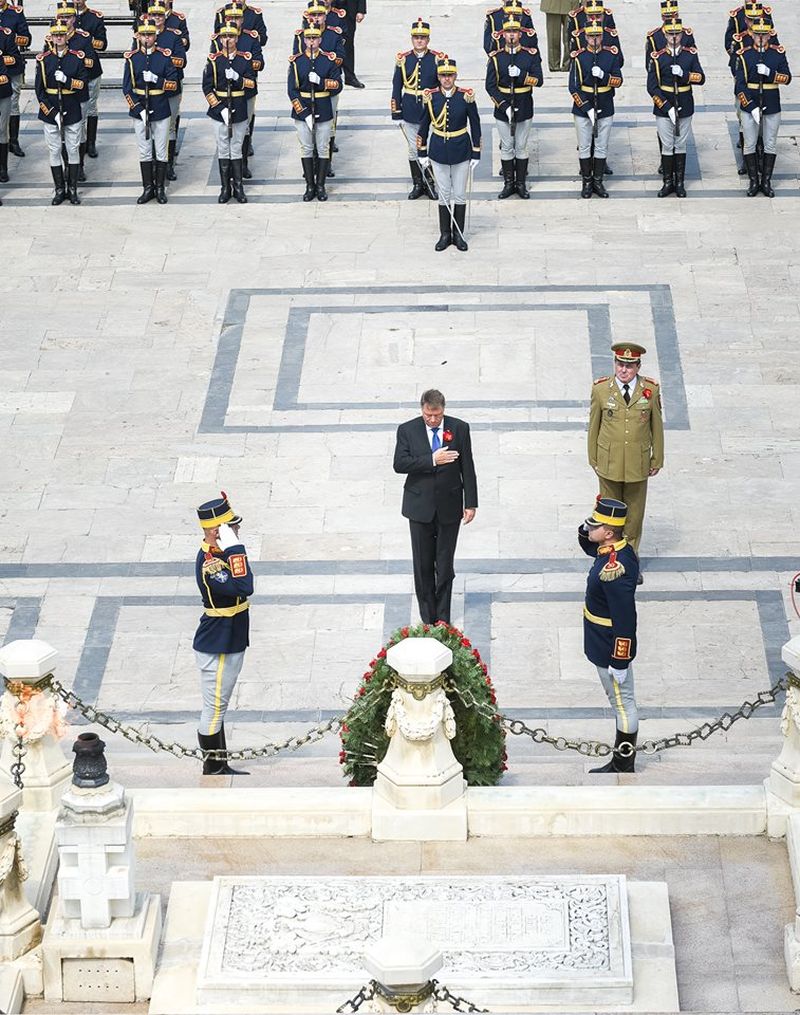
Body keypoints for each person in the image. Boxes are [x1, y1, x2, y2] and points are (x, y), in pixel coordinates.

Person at [393, 389, 478, 626]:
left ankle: (443, 617)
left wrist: (470, 502)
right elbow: (399, 463)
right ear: (422, 410)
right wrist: (432, 459)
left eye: (437, 415)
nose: (432, 420)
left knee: (444, 564)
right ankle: (428, 617)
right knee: (422, 565)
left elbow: (467, 466)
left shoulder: (460, 428)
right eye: (428, 415)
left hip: (449, 506)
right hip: (419, 507)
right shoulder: (407, 430)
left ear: (443, 410)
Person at [587, 342, 664, 569]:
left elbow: (656, 427)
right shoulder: (601, 389)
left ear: (637, 367)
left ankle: (629, 560)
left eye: (629, 366)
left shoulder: (650, 390)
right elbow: (594, 425)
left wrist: (656, 458)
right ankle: (607, 557)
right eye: (620, 364)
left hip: (637, 463)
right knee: (608, 513)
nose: (623, 370)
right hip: (608, 461)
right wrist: (593, 458)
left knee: (634, 515)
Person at [193, 492, 254, 777]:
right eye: (232, 527)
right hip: (218, 641)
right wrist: (236, 549)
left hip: (230, 637)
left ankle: (220, 762)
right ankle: (214, 766)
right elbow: (244, 587)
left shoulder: (220, 555)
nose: (237, 530)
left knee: (220, 705)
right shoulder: (211, 563)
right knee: (214, 707)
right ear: (218, 531)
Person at [578, 497, 640, 774]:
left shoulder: (616, 568)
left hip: (609, 644)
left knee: (623, 703)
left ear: (609, 532)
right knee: (619, 701)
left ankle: (623, 762)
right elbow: (586, 541)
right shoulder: (611, 550)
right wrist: (591, 523)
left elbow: (625, 618)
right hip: (599, 638)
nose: (589, 529)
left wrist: (620, 659)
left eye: (596, 525)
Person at [416, 55, 481, 252]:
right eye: (443, 75)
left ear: (455, 76)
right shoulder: (431, 97)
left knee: (459, 194)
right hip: (438, 150)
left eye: (450, 75)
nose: (446, 79)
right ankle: (445, 234)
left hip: (461, 149)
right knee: (444, 194)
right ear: (438, 76)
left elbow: (475, 124)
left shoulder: (465, 96)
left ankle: (458, 234)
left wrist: (476, 152)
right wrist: (422, 151)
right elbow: (424, 124)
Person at [486, 16, 543, 199]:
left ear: (520, 34)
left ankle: (521, 184)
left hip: (524, 104)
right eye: (509, 32)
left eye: (515, 32)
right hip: (503, 107)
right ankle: (508, 184)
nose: (512, 35)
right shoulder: (496, 58)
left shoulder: (530, 55)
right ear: (503, 35)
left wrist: (521, 74)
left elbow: (538, 80)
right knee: (507, 147)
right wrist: (504, 106)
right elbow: (490, 86)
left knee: (521, 146)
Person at [647, 17, 704, 198]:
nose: (674, 37)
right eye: (670, 33)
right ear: (665, 34)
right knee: (667, 145)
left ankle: (679, 182)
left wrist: (684, 74)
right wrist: (666, 107)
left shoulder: (690, 55)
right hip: (665, 107)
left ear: (681, 35)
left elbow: (701, 78)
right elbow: (652, 87)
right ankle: (667, 182)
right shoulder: (658, 57)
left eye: (677, 34)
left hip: (685, 104)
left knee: (680, 145)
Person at [122, 19, 178, 205]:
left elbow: (173, 84)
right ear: (138, 36)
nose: (147, 38)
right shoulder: (132, 59)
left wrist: (157, 80)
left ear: (155, 36)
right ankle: (148, 188)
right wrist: (138, 109)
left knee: (161, 151)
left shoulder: (164, 56)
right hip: (141, 109)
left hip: (160, 107)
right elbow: (127, 89)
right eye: (144, 34)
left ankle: (160, 188)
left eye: (150, 34)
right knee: (145, 151)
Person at [734, 16, 791, 197]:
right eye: (757, 34)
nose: (760, 38)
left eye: (763, 35)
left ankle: (766, 181)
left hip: (771, 104)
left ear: (769, 36)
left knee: (770, 144)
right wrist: (750, 106)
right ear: (751, 35)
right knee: (750, 144)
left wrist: (770, 73)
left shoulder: (777, 53)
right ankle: (753, 181)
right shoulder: (744, 55)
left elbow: (787, 78)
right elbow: (739, 86)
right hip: (750, 105)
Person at [35, 19, 87, 205]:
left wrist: (66, 80)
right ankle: (59, 189)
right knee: (55, 150)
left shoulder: (76, 57)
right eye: (55, 35)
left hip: (71, 106)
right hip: (51, 109)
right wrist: (51, 113)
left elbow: (82, 84)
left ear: (67, 36)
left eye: (62, 35)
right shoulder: (44, 60)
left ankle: (72, 189)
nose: (59, 38)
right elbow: (39, 92)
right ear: (52, 37)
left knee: (73, 149)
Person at [288, 24, 342, 202]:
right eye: (308, 38)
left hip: (323, 108)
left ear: (320, 40)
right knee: (306, 148)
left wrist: (321, 82)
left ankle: (320, 185)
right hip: (303, 110)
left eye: (315, 38)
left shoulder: (328, 60)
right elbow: (292, 90)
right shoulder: (297, 62)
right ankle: (309, 186)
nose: (311, 41)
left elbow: (337, 85)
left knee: (323, 147)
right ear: (304, 40)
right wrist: (303, 113)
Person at [203, 22, 255, 204]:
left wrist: (238, 79)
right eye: (224, 37)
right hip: (219, 109)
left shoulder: (244, 59)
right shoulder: (213, 60)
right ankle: (225, 187)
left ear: (237, 38)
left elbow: (252, 83)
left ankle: (238, 187)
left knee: (237, 147)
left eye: (231, 36)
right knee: (223, 148)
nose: (227, 40)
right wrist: (219, 108)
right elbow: (207, 88)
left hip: (239, 107)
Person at [569, 18, 622, 198]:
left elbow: (618, 80)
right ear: (585, 37)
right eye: (591, 36)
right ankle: (587, 182)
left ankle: (598, 182)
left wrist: (604, 76)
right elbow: (573, 87)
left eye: (597, 36)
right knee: (584, 146)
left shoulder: (611, 55)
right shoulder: (579, 57)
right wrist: (587, 108)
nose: (594, 39)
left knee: (601, 146)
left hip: (605, 104)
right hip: (583, 108)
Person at [391, 17, 439, 200]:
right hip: (410, 109)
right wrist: (396, 112)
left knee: (428, 148)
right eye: (416, 37)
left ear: (428, 39)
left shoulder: (436, 59)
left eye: (423, 37)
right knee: (413, 149)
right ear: (412, 39)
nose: (419, 40)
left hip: (431, 111)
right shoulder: (404, 60)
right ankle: (418, 183)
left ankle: (430, 182)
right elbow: (396, 86)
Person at [725, 3, 776, 174]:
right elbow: (733, 58)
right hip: (745, 84)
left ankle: (760, 155)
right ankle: (746, 159)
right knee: (743, 116)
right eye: (751, 19)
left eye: (757, 19)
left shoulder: (766, 32)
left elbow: (775, 52)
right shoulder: (739, 38)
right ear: (745, 20)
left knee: (763, 123)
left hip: (765, 84)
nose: (754, 22)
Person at [645, 0, 695, 174]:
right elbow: (649, 65)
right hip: (663, 85)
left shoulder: (686, 34)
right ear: (662, 16)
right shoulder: (654, 36)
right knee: (664, 131)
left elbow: (692, 58)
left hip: (682, 86)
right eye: (666, 16)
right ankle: (664, 159)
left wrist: (684, 75)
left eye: (672, 15)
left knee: (680, 138)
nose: (669, 18)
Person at [214, 3, 262, 179]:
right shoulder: (218, 39)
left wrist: (243, 68)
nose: (234, 20)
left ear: (242, 19)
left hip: (246, 90)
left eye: (237, 18)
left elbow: (260, 63)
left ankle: (243, 164)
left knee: (245, 128)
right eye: (230, 18)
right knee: (225, 131)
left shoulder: (250, 39)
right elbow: (214, 64)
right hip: (224, 91)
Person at [142, 1, 186, 181]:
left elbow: (181, 61)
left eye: (160, 16)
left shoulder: (173, 36)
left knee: (170, 126)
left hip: (169, 86)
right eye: (153, 16)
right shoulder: (143, 35)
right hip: (148, 89)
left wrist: (162, 58)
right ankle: (152, 161)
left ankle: (167, 165)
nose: (157, 19)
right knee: (150, 126)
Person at [54, 3, 96, 183]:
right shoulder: (52, 38)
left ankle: (78, 167)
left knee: (79, 130)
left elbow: (90, 63)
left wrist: (71, 65)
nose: (65, 20)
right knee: (62, 131)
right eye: (62, 17)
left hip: (77, 89)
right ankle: (67, 167)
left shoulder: (83, 38)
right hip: (60, 92)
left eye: (68, 17)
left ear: (74, 19)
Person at [74, 0, 106, 160]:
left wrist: (86, 38)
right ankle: (81, 141)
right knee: (77, 110)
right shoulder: (64, 17)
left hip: (91, 69)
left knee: (91, 107)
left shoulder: (95, 17)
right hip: (72, 72)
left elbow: (103, 44)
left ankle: (91, 142)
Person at [0, 0, 30, 159]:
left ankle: (13, 140)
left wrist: (10, 38)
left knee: (13, 102)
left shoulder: (15, 13)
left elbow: (26, 37)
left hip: (10, 65)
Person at [0, 24, 21, 189]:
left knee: (1, 131)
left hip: (2, 89)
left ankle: (3, 169)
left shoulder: (5, 35)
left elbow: (13, 60)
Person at [540, 0, 572, 72]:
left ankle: (568, 64)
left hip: (571, 4)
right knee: (553, 37)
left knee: (570, 36)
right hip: (552, 4)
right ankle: (554, 65)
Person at [340, 0, 365, 87]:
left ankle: (349, 76)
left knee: (348, 44)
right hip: (330, 9)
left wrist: (361, 10)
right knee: (329, 42)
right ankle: (331, 75)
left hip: (349, 10)